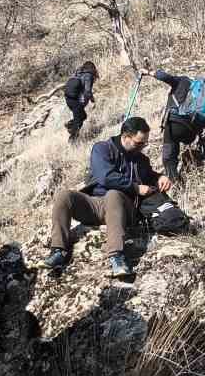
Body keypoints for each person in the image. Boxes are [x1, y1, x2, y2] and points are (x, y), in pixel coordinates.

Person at [45, 116, 172, 278]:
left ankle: (116, 257)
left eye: (145, 143)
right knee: (64, 195)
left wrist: (160, 177)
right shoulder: (102, 149)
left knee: (113, 195)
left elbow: (149, 176)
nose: (143, 146)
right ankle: (58, 251)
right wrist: (135, 187)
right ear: (125, 137)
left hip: (124, 208)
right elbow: (105, 177)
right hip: (96, 204)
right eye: (139, 143)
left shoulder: (141, 160)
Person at [138, 67, 205, 184]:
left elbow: (165, 77)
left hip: (175, 123)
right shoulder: (201, 94)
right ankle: (183, 176)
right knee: (175, 148)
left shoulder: (182, 80)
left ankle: (177, 187)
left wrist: (148, 72)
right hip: (192, 132)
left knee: (168, 159)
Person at [63, 61, 98, 139]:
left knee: (82, 116)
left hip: (68, 98)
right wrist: (92, 100)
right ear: (92, 68)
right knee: (79, 120)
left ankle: (70, 124)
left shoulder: (78, 73)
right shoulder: (89, 76)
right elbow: (87, 91)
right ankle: (72, 140)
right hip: (75, 100)